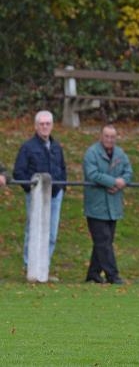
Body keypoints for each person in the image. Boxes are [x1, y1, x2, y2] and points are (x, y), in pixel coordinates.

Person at [13, 110, 67, 275]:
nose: (45, 127)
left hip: (55, 195)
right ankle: (29, 266)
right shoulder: (28, 147)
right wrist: (31, 189)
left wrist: (62, 188)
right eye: (41, 124)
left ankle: (44, 267)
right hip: (36, 197)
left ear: (52, 126)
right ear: (36, 126)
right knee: (33, 231)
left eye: (47, 124)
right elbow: (18, 172)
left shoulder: (57, 147)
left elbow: (63, 169)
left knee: (52, 233)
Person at [83, 124, 133, 285]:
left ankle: (93, 274)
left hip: (114, 205)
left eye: (112, 137)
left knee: (105, 241)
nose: (109, 140)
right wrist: (112, 182)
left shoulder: (120, 154)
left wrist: (123, 182)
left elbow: (128, 171)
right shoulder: (91, 153)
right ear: (101, 136)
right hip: (96, 206)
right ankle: (113, 275)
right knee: (103, 241)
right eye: (107, 136)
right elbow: (92, 174)